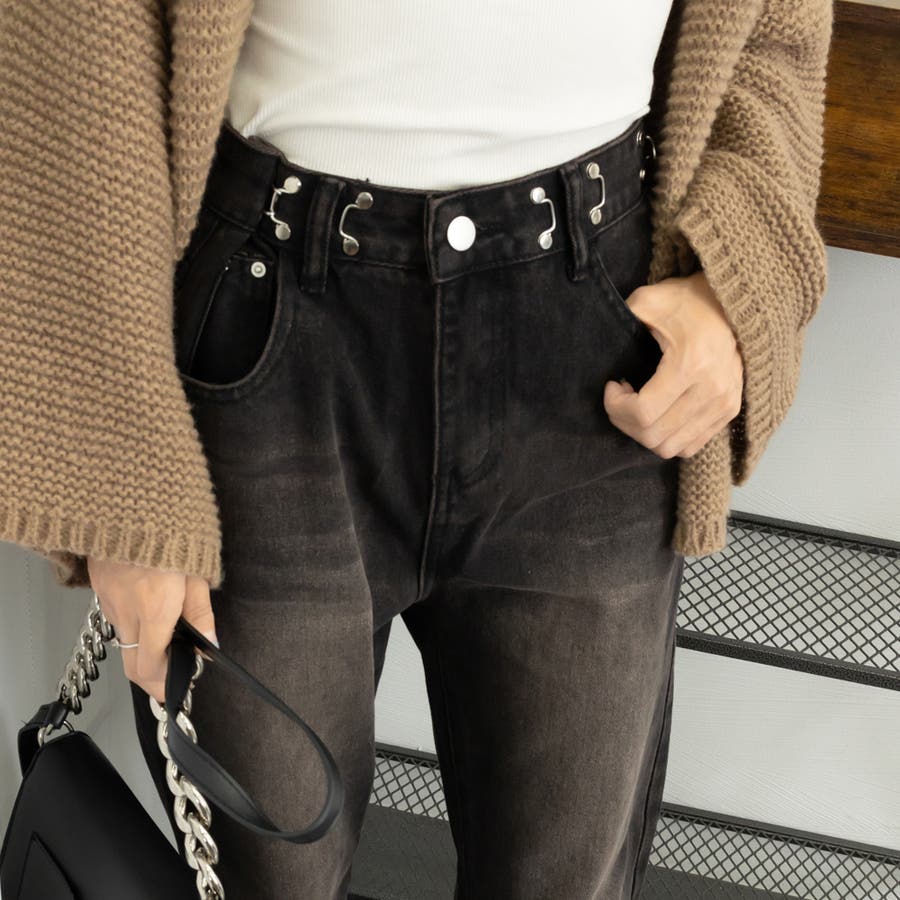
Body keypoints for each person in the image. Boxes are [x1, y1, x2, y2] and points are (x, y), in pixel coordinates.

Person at [0, 0, 833, 897]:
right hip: (269, 338)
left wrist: (740, 283)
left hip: (601, 349)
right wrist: (116, 464)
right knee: (266, 879)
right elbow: (68, 30)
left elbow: (778, 30)